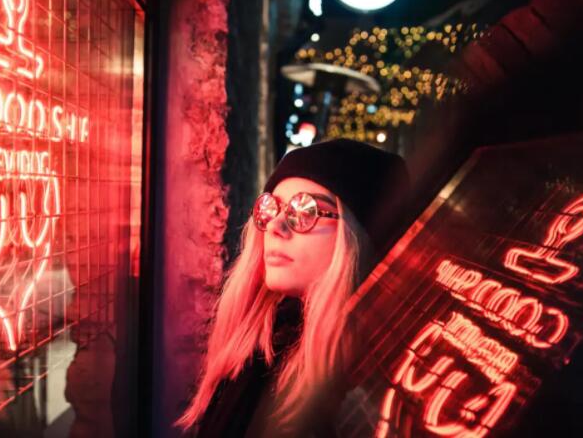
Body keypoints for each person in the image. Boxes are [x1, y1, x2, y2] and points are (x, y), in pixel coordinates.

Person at [175, 138, 410, 437]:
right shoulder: (255, 350)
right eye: (271, 208)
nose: (275, 227)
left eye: (305, 211)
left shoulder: (366, 395)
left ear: (357, 239)